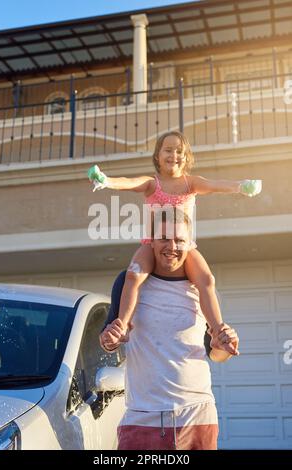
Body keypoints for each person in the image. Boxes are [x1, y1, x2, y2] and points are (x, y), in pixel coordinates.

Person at [88, 131, 261, 353]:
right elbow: (130, 182)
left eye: (179, 151)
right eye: (168, 150)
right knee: (133, 274)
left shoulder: (191, 183)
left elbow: (215, 184)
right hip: (153, 244)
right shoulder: (153, 183)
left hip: (183, 246)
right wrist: (106, 181)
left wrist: (240, 186)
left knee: (206, 279)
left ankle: (218, 330)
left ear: (187, 157)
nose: (174, 155)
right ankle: (121, 324)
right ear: (157, 156)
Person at [99, 209, 239, 450]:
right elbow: (111, 340)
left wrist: (222, 346)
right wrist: (109, 338)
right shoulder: (128, 282)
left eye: (180, 240)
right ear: (151, 241)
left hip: (197, 416)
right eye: (164, 238)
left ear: (189, 243)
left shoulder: (200, 289)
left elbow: (216, 355)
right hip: (143, 417)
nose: (172, 246)